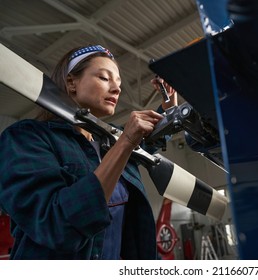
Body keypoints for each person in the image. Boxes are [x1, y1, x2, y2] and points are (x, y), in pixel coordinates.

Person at [0, 44, 177, 259]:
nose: (117, 88)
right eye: (104, 78)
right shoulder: (26, 137)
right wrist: (125, 142)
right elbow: (55, 225)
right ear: (71, 82)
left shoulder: (111, 142)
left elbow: (147, 140)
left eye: (119, 83)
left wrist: (169, 111)